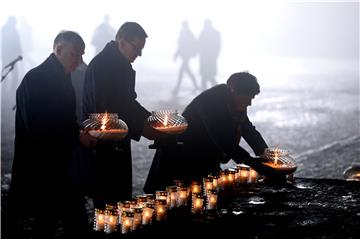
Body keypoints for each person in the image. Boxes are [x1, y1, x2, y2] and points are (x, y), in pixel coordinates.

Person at [5, 30, 95, 238]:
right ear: (58, 49)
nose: (80, 61)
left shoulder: (64, 78)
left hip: (61, 167)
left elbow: (64, 118)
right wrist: (76, 134)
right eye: (75, 54)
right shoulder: (35, 80)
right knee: (51, 222)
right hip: (42, 167)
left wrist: (80, 131)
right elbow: (38, 125)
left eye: (82, 55)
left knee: (60, 222)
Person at [144, 72, 275, 193]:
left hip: (204, 156)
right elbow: (220, 138)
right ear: (234, 92)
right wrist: (250, 162)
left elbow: (248, 129)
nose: (250, 104)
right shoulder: (211, 102)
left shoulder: (235, 103)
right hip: (184, 157)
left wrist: (266, 154)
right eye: (248, 99)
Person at [83, 22, 165, 208]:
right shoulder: (103, 66)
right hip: (104, 142)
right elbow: (108, 109)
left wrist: (150, 120)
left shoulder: (119, 64)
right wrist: (142, 129)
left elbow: (128, 102)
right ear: (122, 42)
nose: (139, 54)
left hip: (117, 139)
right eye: (137, 48)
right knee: (108, 199)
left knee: (119, 196)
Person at [172, 20, 199, 95]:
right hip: (184, 55)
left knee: (182, 71)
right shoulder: (182, 33)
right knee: (187, 71)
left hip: (186, 56)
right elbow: (180, 46)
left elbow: (195, 44)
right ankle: (196, 86)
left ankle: (177, 88)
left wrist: (193, 53)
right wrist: (176, 55)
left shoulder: (189, 34)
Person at [198, 19, 221, 91]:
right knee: (206, 75)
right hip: (206, 57)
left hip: (209, 58)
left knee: (208, 75)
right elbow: (199, 44)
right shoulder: (212, 33)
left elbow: (218, 45)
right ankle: (216, 89)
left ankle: (217, 89)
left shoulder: (209, 33)